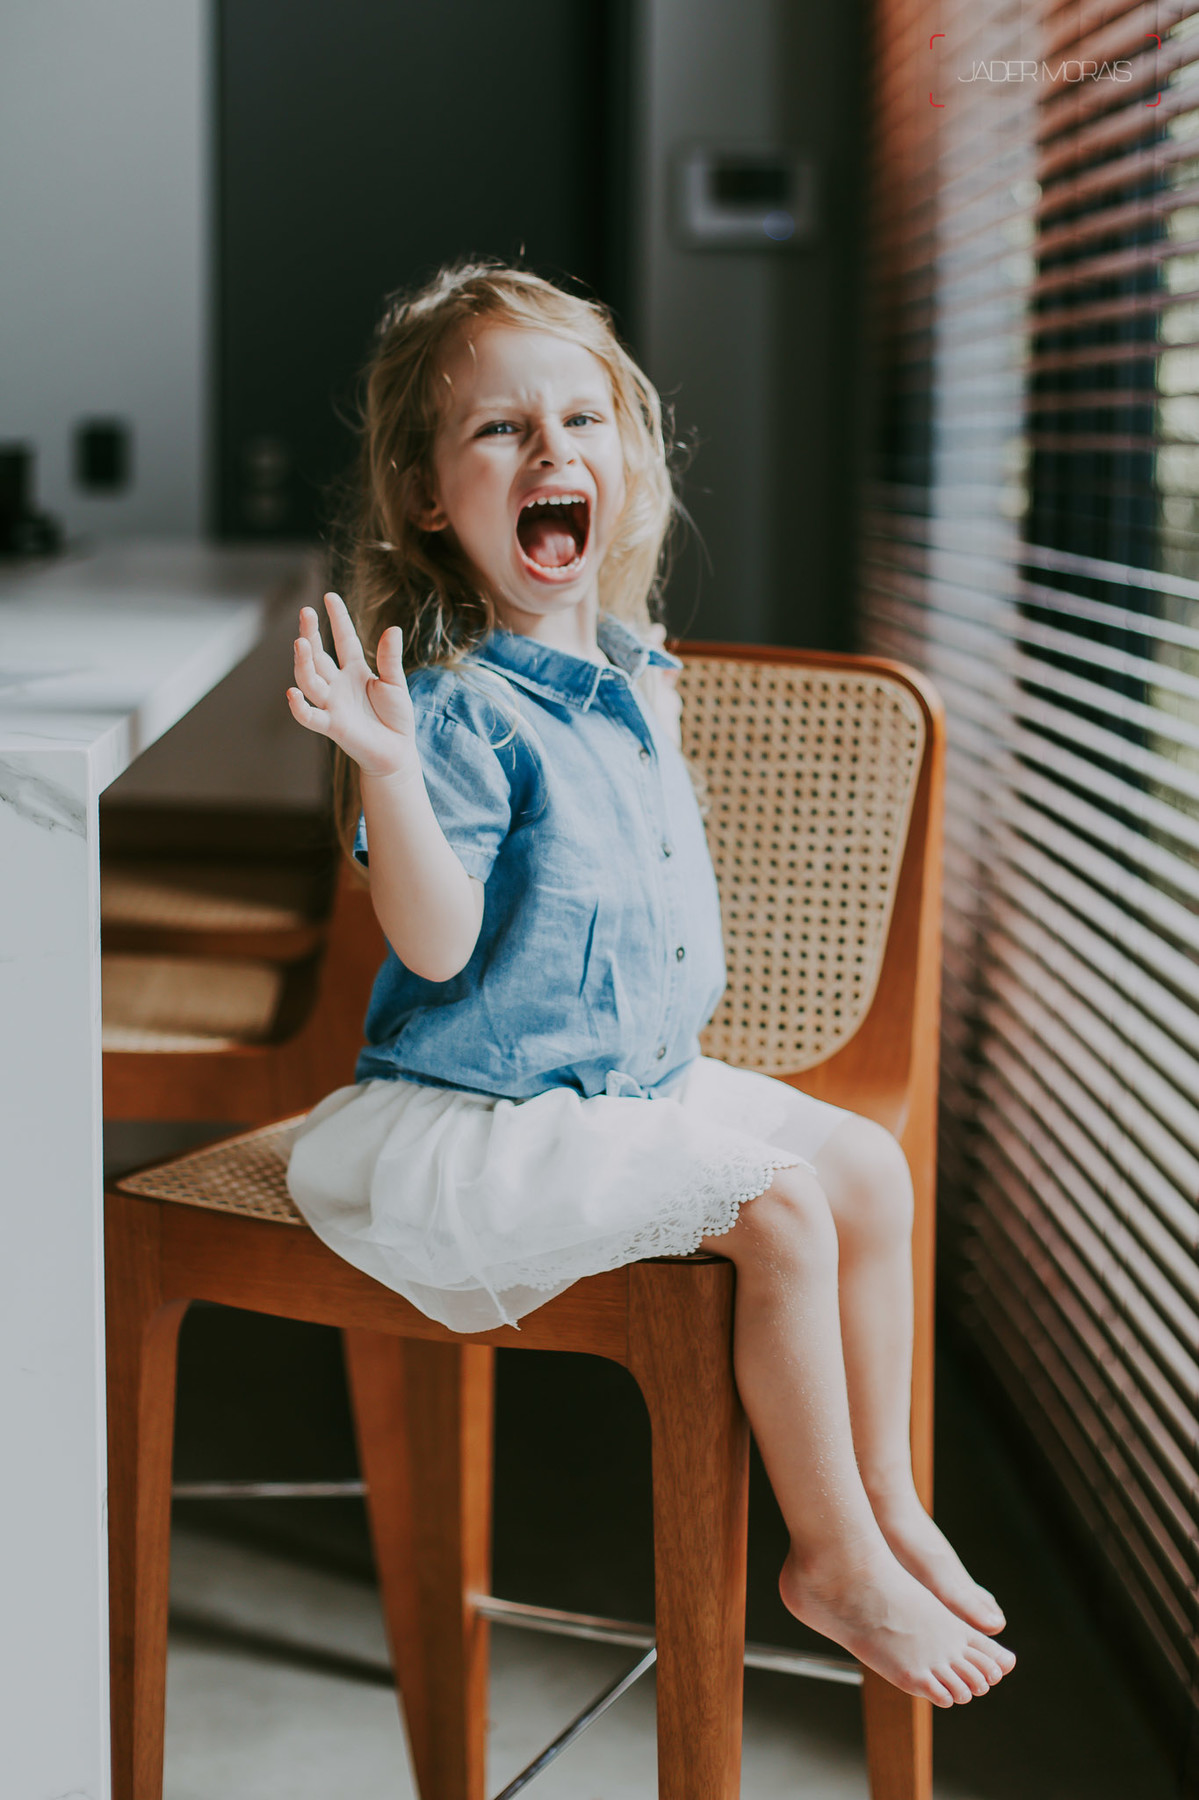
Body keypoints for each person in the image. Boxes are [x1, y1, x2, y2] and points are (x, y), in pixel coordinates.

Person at [284, 262, 1015, 1707]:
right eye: (500, 431)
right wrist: (385, 775)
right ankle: (827, 1556)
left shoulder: (637, 675)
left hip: (634, 1088)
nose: (552, 452)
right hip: (489, 1115)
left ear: (626, 457)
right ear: (430, 496)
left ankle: (883, 1495)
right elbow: (433, 944)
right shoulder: (453, 713)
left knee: (867, 1167)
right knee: (782, 1207)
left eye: (582, 418)